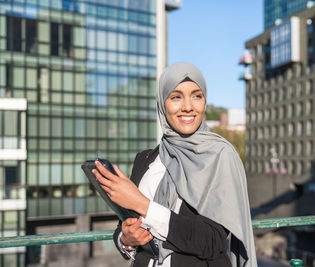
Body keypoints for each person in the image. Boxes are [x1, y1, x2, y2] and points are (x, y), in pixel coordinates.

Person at [92, 62, 256, 266]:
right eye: (176, 97)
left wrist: (141, 204)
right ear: (162, 103)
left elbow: (213, 241)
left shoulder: (220, 156)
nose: (188, 106)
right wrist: (126, 240)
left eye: (197, 96)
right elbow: (124, 225)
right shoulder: (146, 159)